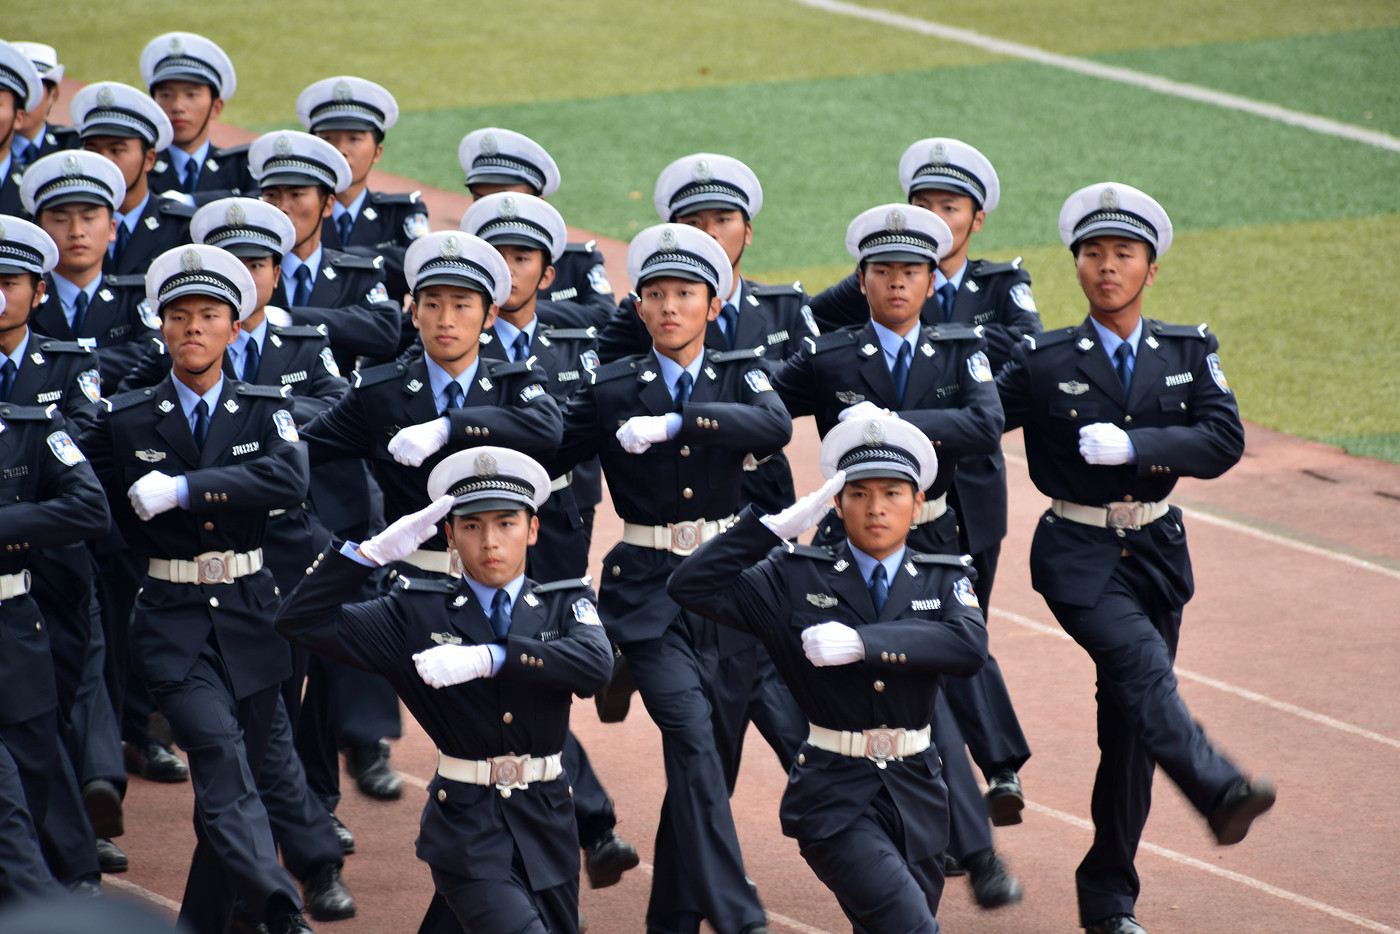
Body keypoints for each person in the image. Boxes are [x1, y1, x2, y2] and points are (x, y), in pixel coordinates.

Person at [996, 182, 1275, 934]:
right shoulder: (1044, 360)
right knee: (1144, 672)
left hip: (1155, 550)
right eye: (1093, 254)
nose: (1106, 266)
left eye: (1123, 254)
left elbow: (1224, 440)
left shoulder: (1188, 350)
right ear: (1077, 267)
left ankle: (1109, 903)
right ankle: (1217, 788)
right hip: (1079, 555)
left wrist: (1140, 445)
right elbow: (975, 421)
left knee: (1128, 733)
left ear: (1151, 269)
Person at [772, 201, 1022, 907]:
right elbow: (766, 408)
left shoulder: (958, 347)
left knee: (930, 684)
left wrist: (889, 421)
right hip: (851, 543)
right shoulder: (831, 355)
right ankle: (964, 847)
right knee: (890, 694)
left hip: (936, 539)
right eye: (883, 271)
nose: (897, 284)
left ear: (933, 281)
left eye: (912, 271)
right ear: (863, 278)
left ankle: (972, 841)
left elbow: (984, 423)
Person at [551, 222, 792, 934]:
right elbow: (546, 457)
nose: (668, 307)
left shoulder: (740, 373)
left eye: (685, 293)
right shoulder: (613, 386)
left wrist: (680, 421)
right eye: (654, 293)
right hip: (647, 594)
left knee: (707, 768)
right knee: (690, 741)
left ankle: (674, 921)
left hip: (728, 590)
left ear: (713, 305)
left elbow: (773, 425)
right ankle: (738, 913)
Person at [668, 416, 989, 933]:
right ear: (836, 505)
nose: (877, 508)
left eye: (892, 492)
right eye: (859, 494)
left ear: (918, 502)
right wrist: (769, 531)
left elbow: (969, 646)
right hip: (835, 799)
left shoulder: (944, 578)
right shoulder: (793, 575)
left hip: (918, 794)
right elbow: (691, 586)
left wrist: (866, 643)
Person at [275, 448, 614, 934]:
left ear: (532, 530)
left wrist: (492, 657)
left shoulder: (564, 602)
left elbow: (596, 666)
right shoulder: (415, 613)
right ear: (450, 536)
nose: (490, 541)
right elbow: (298, 621)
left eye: (506, 523)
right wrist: (367, 555)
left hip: (548, 823)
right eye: (473, 527)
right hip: (467, 829)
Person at [79, 243, 313, 934]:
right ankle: (276, 901)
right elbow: (86, 502)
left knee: (239, 777)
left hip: (253, 615)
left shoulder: (267, 409)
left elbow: (288, 481)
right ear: (162, 327)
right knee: (218, 753)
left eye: (209, 315)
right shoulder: (123, 417)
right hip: (171, 620)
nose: (192, 328)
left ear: (234, 328)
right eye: (178, 316)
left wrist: (183, 489)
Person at [296, 228, 561, 812]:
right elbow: (306, 450)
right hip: (408, 585)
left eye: (462, 305)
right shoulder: (381, 393)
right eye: (433, 304)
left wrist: (450, 427)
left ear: (489, 316)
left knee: (524, 701)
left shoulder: (518, 381)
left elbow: (548, 431)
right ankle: (315, 826)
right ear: (411, 311)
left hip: (493, 580)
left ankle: (582, 823)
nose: (446, 319)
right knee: (330, 668)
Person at [459, 190, 638, 891]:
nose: (506, 269)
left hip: (558, 528)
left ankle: (555, 837)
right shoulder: (447, 341)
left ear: (549, 272)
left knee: (536, 672)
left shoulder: (579, 341)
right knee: (504, 677)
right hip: (477, 536)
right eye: (495, 256)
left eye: (521, 257)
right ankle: (582, 825)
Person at [0, 286, 112, 905]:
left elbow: (89, 506)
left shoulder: (32, 425)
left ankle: (67, 871)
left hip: (18, 611)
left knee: (36, 755)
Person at [20, 149, 158, 391]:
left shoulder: (137, 296)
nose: (76, 231)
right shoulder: (20, 296)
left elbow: (155, 354)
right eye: (61, 219)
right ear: (39, 231)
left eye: (89, 217)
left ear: (113, 228)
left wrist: (62, 367)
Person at [296, 76, 427, 314]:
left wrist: (330, 257)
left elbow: (420, 266)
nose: (341, 150)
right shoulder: (290, 210)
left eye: (354, 139)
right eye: (327, 139)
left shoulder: (399, 212)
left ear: (377, 152)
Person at [458, 127, 614, 320]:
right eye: (480, 199)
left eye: (504, 198)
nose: (491, 207)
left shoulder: (577, 263)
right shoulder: (461, 264)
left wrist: (522, 311)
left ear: (538, 201)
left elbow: (605, 317)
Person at [70, 81, 195, 277]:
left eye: (116, 150)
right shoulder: (65, 226)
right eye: (92, 150)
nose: (103, 162)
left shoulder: (182, 229)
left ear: (149, 159)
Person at [139, 32, 254, 205]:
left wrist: (190, 201)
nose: (177, 106)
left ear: (216, 107)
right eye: (166, 94)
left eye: (191, 94)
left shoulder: (239, 167)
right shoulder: (139, 166)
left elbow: (264, 200)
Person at [9, 42, 79, 169]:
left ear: (53, 95)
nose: (21, 102)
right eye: (13, 92)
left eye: (31, 92)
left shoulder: (75, 146)